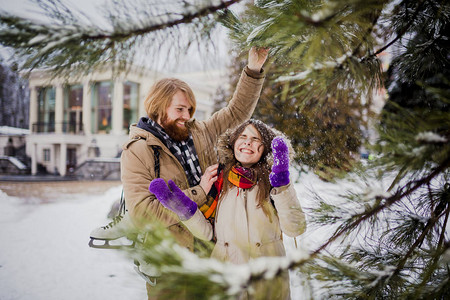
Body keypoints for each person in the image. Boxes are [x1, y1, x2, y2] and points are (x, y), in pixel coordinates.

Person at [120, 48, 269, 298]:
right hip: (170, 264)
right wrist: (198, 192)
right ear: (158, 107)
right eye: (179, 109)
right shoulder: (138, 150)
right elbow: (142, 214)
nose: (186, 116)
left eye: (190, 110)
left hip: (211, 252)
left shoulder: (200, 131)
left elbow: (236, 112)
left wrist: (253, 70)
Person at [150, 119, 307, 299]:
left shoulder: (274, 183)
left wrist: (282, 183)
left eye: (256, 139)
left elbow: (295, 228)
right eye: (243, 136)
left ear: (265, 149)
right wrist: (184, 209)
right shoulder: (220, 181)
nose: (248, 142)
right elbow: (208, 234)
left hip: (266, 281)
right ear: (232, 144)